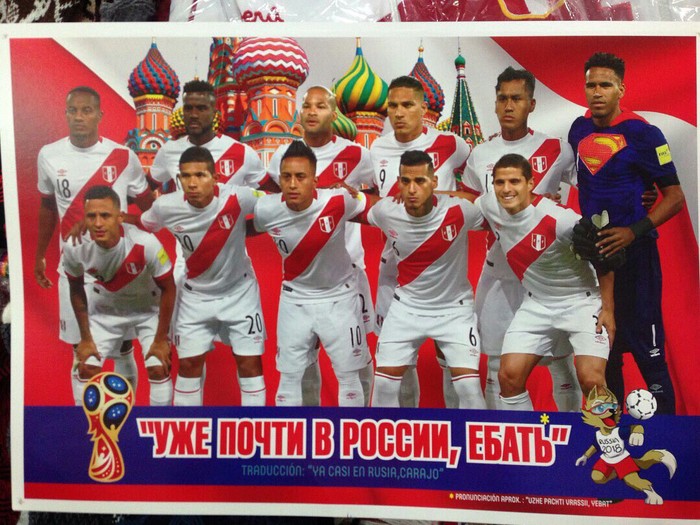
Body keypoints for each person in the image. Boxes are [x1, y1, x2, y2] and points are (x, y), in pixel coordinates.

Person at [568, 52, 685, 414]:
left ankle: (669, 437)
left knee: (650, 353)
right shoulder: (578, 130)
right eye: (591, 84)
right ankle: (612, 439)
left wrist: (633, 231)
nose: (597, 92)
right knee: (608, 353)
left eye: (605, 84)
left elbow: (675, 198)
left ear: (621, 88)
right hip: (596, 262)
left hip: (637, 260)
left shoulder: (644, 133)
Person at [463, 66, 582, 411]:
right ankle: (501, 443)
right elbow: (472, 211)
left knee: (560, 363)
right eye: (503, 99)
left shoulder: (556, 149)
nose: (509, 105)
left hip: (547, 278)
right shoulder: (479, 155)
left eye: (517, 98)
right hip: (499, 273)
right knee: (498, 366)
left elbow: (590, 189)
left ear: (532, 103)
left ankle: (569, 439)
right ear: (495, 104)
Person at [34, 86, 153, 404]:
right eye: (73, 110)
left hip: (118, 271)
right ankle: (82, 424)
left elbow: (148, 206)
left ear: (99, 115)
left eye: (86, 111)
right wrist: (39, 257)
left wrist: (130, 227)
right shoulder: (49, 155)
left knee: (123, 348)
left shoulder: (123, 157)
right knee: (82, 350)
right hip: (74, 269)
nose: (79, 117)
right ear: (66, 114)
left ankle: (126, 418)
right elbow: (47, 207)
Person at [476, 154, 613, 410]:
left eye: (515, 181)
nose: (506, 189)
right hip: (537, 304)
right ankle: (526, 445)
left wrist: (608, 309)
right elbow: (461, 200)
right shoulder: (489, 205)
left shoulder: (562, 221)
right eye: (499, 182)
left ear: (531, 183)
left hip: (582, 303)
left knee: (592, 380)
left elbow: (605, 258)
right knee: (509, 377)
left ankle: (608, 444)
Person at [267, 85, 375, 405]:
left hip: (349, 270)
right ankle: (311, 426)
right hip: (302, 274)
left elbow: (381, 199)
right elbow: (274, 204)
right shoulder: (282, 157)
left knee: (357, 359)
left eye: (321, 106)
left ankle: (361, 422)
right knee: (304, 357)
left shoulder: (357, 155)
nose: (313, 111)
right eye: (307, 106)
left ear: (334, 112)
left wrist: (353, 197)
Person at [370, 75, 470, 408]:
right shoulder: (377, 148)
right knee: (398, 359)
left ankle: (457, 432)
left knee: (450, 355)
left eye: (407, 105)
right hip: (395, 266)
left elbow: (476, 189)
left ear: (423, 108)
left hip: (443, 265)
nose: (399, 113)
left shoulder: (451, 144)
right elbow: (373, 199)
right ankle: (405, 435)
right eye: (393, 106)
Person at [139, 146, 266, 406]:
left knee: (250, 365)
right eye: (185, 176)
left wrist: (241, 229)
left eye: (200, 175)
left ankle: (252, 436)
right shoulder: (165, 206)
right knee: (188, 367)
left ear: (216, 177)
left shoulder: (239, 197)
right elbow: (142, 225)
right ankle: (188, 440)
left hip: (240, 293)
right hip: (194, 297)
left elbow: (282, 203)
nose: (192, 183)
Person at [365, 150, 485, 409]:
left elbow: (498, 211)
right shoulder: (386, 211)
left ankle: (475, 448)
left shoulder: (460, 211)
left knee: (469, 388)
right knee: (384, 385)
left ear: (434, 183)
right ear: (398, 183)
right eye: (405, 181)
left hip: (454, 310)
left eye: (420, 181)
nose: (411, 189)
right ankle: (384, 448)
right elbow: (356, 208)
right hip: (406, 308)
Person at [63, 186, 175, 405]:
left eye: (105, 215)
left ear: (120, 217)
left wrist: (161, 339)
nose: (97, 223)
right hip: (105, 311)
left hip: (147, 311)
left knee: (158, 366)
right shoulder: (74, 246)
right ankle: (84, 429)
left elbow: (169, 288)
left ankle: (155, 428)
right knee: (85, 365)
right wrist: (85, 338)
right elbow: (76, 288)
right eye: (91, 216)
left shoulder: (146, 243)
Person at [150, 79, 278, 194]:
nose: (194, 115)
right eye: (188, 108)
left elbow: (275, 194)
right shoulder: (168, 151)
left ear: (213, 112)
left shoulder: (241, 153)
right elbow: (142, 190)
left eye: (201, 109)